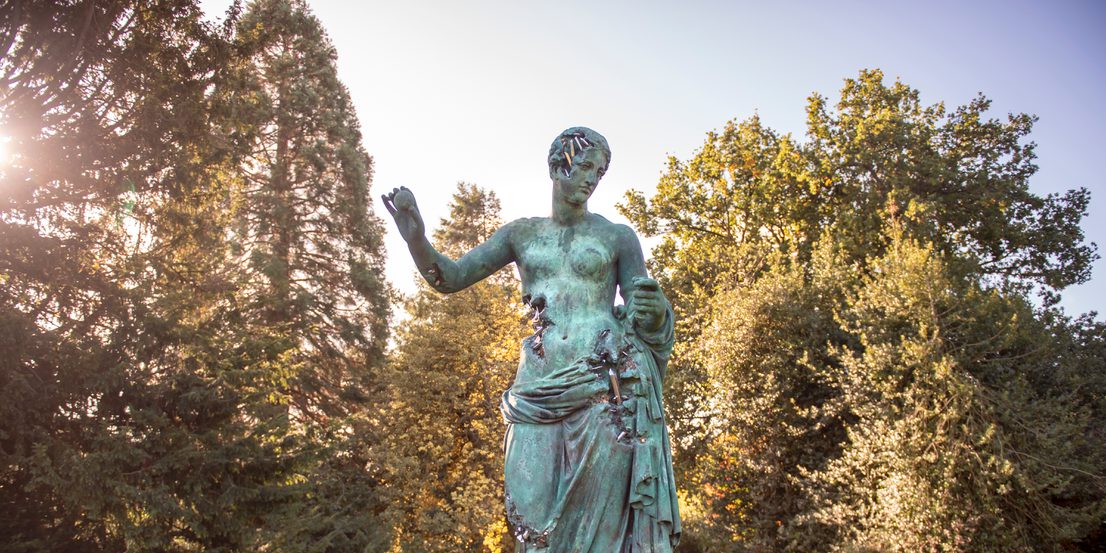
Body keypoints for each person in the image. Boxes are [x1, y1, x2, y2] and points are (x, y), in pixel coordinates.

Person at [382, 127, 680, 552]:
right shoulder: (520, 235)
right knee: (532, 521)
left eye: (599, 172)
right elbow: (450, 278)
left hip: (606, 390)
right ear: (557, 165)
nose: (592, 179)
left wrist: (654, 313)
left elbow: (644, 310)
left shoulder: (617, 237)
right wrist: (417, 242)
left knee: (603, 535)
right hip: (536, 391)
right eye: (585, 167)